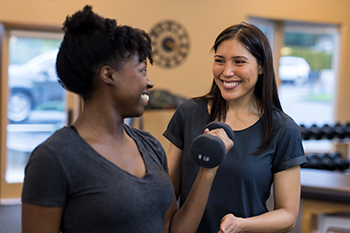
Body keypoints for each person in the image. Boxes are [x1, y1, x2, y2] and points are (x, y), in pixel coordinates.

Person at [21, 5, 233, 233]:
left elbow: (174, 229)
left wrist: (208, 169)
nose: (149, 83)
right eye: (142, 70)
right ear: (108, 75)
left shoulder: (150, 145)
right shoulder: (53, 158)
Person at [163, 22, 307, 233]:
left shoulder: (283, 129)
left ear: (261, 66)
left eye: (239, 62)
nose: (227, 72)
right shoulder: (189, 113)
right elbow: (167, 192)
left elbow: (288, 215)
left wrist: (241, 225)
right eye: (219, 61)